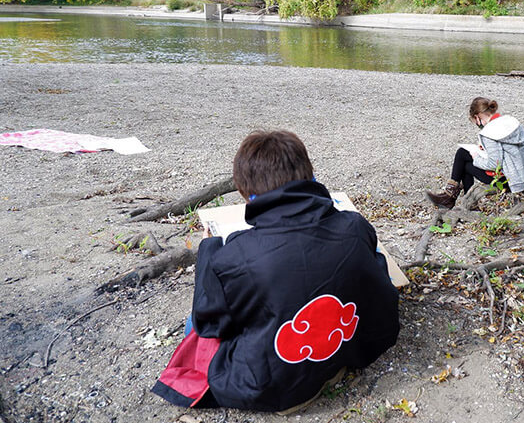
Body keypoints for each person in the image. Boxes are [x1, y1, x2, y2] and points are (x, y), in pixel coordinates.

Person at [152, 129, 399, 413]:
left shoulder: (234, 254)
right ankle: (330, 367)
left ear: (246, 193)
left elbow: (210, 324)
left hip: (269, 382)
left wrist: (209, 253)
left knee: (194, 324)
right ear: (309, 175)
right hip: (353, 344)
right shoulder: (354, 225)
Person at [427, 97, 524, 209]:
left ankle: (457, 200)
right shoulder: (508, 123)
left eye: (475, 121)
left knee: (464, 160)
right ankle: (453, 198)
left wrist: (476, 157)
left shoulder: (489, 132)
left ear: (477, 117)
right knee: (463, 156)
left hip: (505, 181)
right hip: (519, 175)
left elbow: (494, 164)